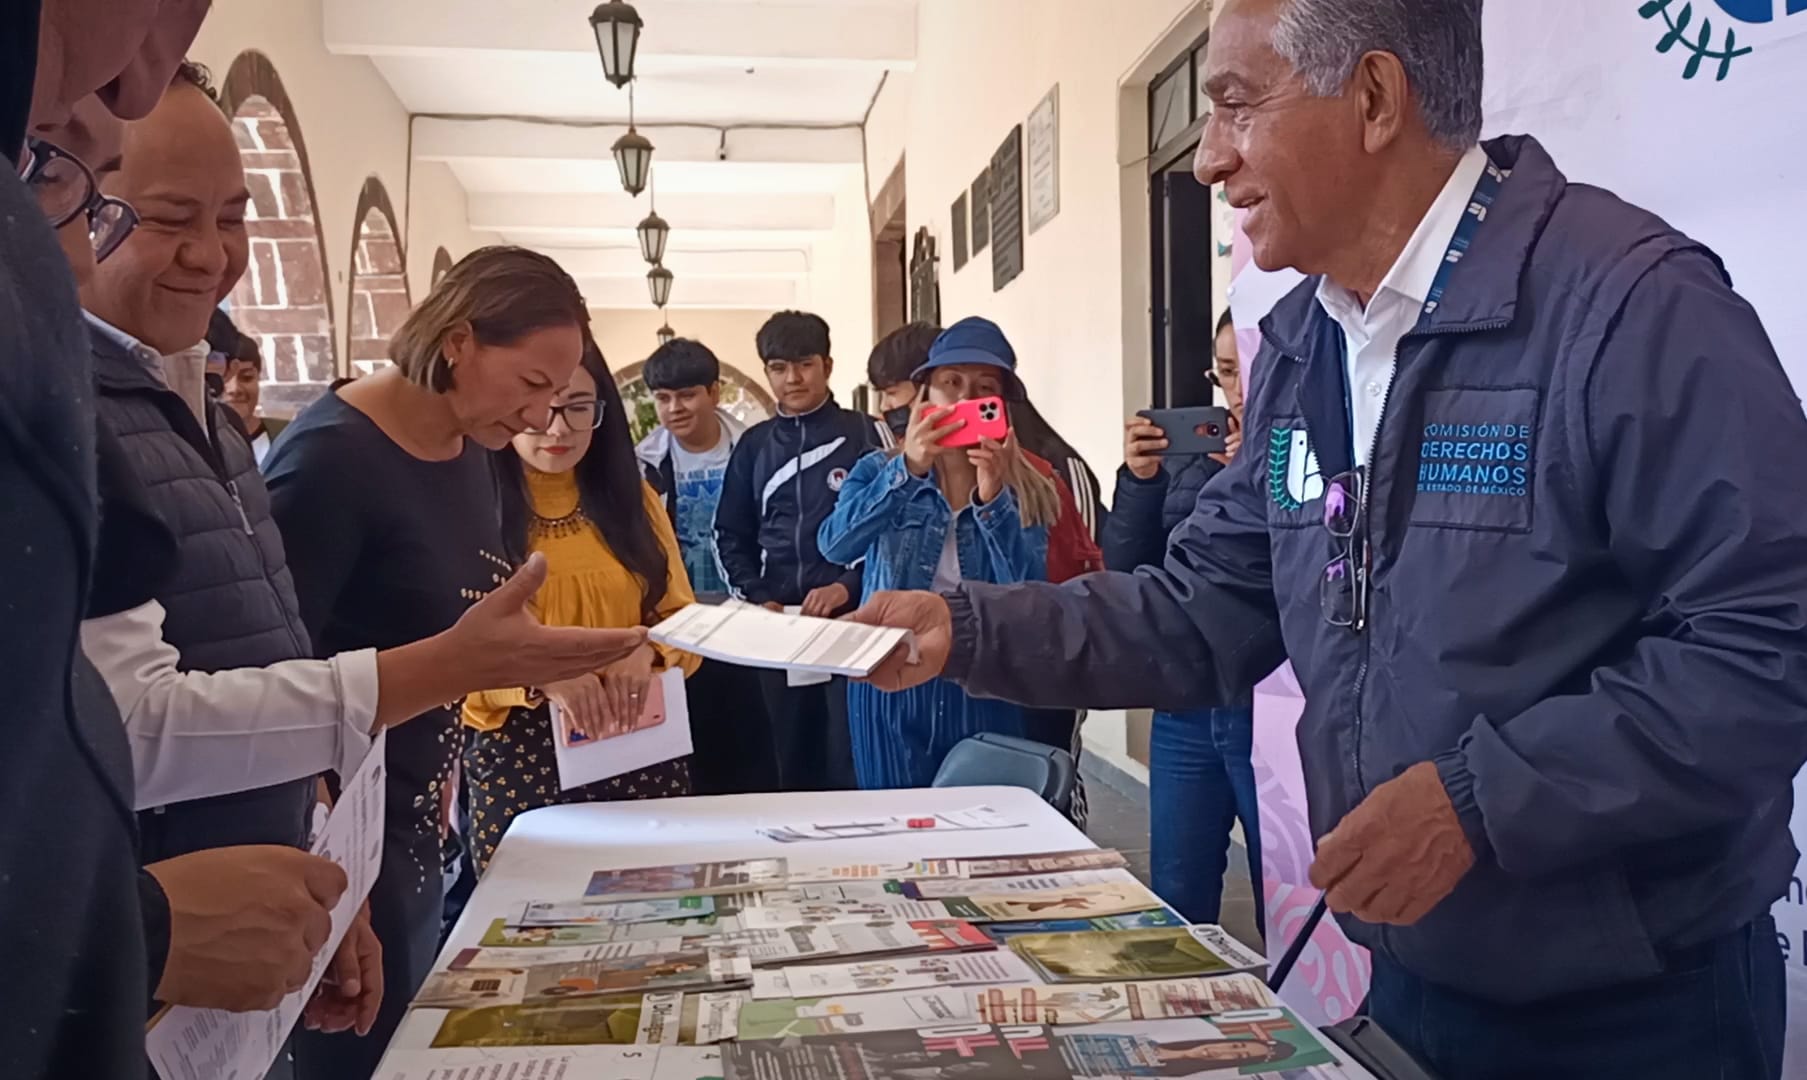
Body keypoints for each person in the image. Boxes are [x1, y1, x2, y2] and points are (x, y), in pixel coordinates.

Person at [846, 1, 1807, 1076]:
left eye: (1233, 104)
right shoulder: (1307, 347)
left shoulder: (1626, 306)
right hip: (1411, 975)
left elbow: (1769, 646)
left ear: (1375, 98)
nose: (1207, 159)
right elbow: (1200, 608)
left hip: (1628, 1012)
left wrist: (1480, 803)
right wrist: (960, 626)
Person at [267, 246, 604, 1080]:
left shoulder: (471, 450)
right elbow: (270, 677)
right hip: (334, 840)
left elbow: (461, 629)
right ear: (457, 341)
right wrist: (322, 865)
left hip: (419, 817)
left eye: (557, 398)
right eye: (529, 386)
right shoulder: (330, 463)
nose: (537, 419)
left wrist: (539, 665)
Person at [462, 344, 698, 871]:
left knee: (656, 923)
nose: (557, 428)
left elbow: (684, 621)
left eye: (577, 407)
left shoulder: (634, 501)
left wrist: (647, 652)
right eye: (539, 405)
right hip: (522, 757)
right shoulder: (467, 510)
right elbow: (444, 659)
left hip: (640, 745)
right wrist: (543, 676)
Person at [820, 318, 1060, 789]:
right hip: (889, 675)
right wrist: (908, 469)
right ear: (925, 394)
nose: (965, 399)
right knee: (894, 829)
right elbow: (835, 544)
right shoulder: (878, 469)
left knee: (984, 835)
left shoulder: (1031, 485)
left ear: (1001, 407)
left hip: (984, 680)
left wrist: (993, 503)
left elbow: (1031, 594)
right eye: (951, 384)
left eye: (983, 388)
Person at [1103, 308, 1258, 930]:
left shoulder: (1310, 448)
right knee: (1176, 886)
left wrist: (1254, 476)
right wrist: (1138, 481)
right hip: (1186, 701)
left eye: (1248, 368)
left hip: (1269, 706)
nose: (1238, 390)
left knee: (1286, 885)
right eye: (1225, 373)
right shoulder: (1184, 462)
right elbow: (1124, 566)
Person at [714, 310, 886, 791]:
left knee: (849, 757)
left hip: (853, 624)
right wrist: (756, 595)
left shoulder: (865, 435)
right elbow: (729, 532)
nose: (792, 378)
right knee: (786, 760)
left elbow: (892, 528)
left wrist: (844, 586)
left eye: (804, 364)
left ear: (827, 365)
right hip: (779, 629)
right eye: (778, 367)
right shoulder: (753, 445)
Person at [635, 336, 778, 795]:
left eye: (687, 394)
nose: (675, 408)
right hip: (681, 623)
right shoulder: (643, 464)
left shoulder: (754, 451)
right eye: (663, 398)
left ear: (714, 393)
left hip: (746, 618)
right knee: (691, 746)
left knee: (753, 740)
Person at [218, 319, 287, 462]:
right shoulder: (193, 447)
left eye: (247, 377)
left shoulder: (287, 436)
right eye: (224, 378)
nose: (235, 388)